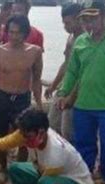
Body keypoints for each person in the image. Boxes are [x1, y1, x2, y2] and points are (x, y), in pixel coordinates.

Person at [58, 1, 105, 184]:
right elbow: (72, 72)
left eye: (92, 18)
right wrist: (63, 92)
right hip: (83, 104)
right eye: (85, 18)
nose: (88, 23)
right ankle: (84, 182)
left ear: (103, 16)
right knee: (83, 144)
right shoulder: (81, 42)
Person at [0, 15, 43, 182]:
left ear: (25, 33)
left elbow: (37, 79)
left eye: (18, 32)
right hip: (2, 97)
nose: (14, 36)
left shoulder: (35, 52)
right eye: (11, 32)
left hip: (22, 98)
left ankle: (19, 169)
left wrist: (38, 103)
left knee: (25, 137)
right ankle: (4, 169)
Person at [44, 3, 83, 142]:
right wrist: (54, 86)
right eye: (64, 23)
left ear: (79, 18)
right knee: (51, 125)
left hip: (77, 91)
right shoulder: (71, 38)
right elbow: (66, 64)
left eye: (68, 22)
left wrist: (71, 95)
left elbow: (84, 72)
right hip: (64, 88)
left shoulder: (86, 40)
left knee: (68, 131)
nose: (65, 26)